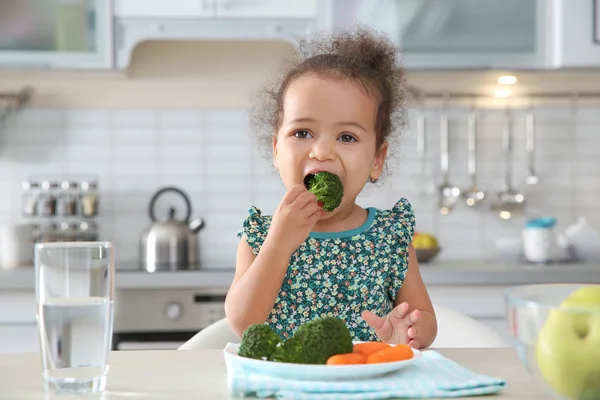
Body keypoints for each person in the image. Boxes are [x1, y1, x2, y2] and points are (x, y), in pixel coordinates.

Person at [224, 26, 437, 349]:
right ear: (276, 149)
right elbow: (242, 323)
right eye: (302, 133)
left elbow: (424, 319)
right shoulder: (262, 236)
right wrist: (279, 245)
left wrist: (406, 332)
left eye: (347, 137)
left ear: (377, 160)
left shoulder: (390, 236)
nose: (321, 151)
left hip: (367, 384)